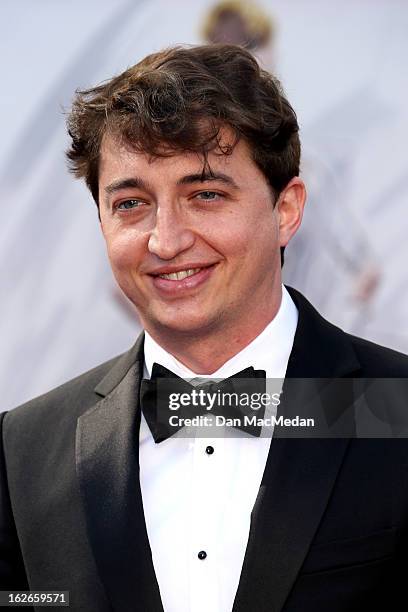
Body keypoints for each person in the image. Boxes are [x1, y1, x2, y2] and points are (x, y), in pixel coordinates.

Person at [1, 44, 407, 612]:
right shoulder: (24, 449)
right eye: (131, 204)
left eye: (206, 194)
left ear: (284, 210)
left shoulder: (394, 407)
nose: (166, 240)